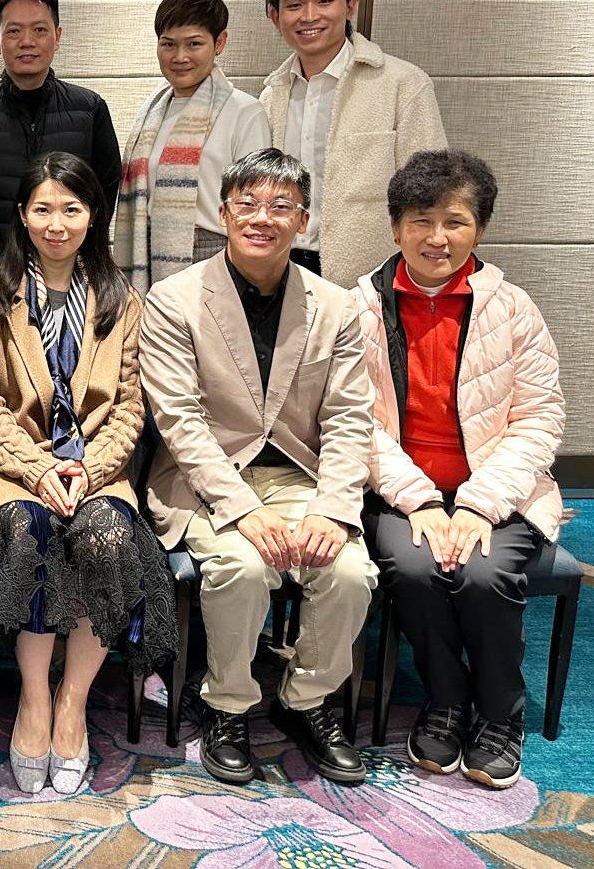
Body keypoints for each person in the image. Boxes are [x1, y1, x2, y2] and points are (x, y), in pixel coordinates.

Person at [140, 149, 377, 787]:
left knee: (349, 570)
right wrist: (243, 509)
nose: (261, 218)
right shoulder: (173, 300)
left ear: (304, 220)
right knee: (241, 567)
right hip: (204, 480)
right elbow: (180, 422)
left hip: (301, 476)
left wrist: (334, 509)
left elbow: (350, 418)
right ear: (223, 214)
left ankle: (307, 700)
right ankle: (227, 704)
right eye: (246, 203)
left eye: (280, 206)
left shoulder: (336, 306)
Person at [0, 152, 174, 796]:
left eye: (71, 209)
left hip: (95, 469)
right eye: (43, 209)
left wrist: (89, 469)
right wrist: (37, 468)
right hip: (10, 468)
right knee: (30, 533)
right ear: (22, 216)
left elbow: (130, 406)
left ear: (92, 215)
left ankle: (72, 701)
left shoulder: (121, 299)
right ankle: (33, 697)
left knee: (105, 537)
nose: (57, 224)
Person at [355, 150, 564, 789]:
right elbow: (351, 421)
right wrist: (419, 499)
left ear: (480, 229)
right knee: (416, 568)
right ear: (395, 227)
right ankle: (445, 701)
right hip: (398, 490)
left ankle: (499, 714)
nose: (436, 238)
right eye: (421, 220)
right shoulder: (358, 308)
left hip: (503, 491)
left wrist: (478, 504)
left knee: (483, 572)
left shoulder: (514, 309)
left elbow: (539, 420)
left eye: (455, 222)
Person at [259, 0, 447, 285]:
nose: (309, 15)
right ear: (276, 17)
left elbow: (433, 191)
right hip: (281, 270)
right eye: (294, 5)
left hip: (371, 280)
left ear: (350, 6)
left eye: (324, 1)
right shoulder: (272, 95)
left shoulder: (402, 83)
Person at [0, 0, 121, 280]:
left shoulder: (90, 109)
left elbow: (104, 192)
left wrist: (65, 253)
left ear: (57, 37)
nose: (27, 41)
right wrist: (3, 264)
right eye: (14, 31)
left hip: (71, 273)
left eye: (39, 30)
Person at [115, 0, 270, 291]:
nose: (180, 56)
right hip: (146, 249)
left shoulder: (245, 112)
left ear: (219, 43)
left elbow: (255, 205)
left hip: (216, 254)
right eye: (168, 44)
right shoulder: (151, 112)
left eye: (194, 44)